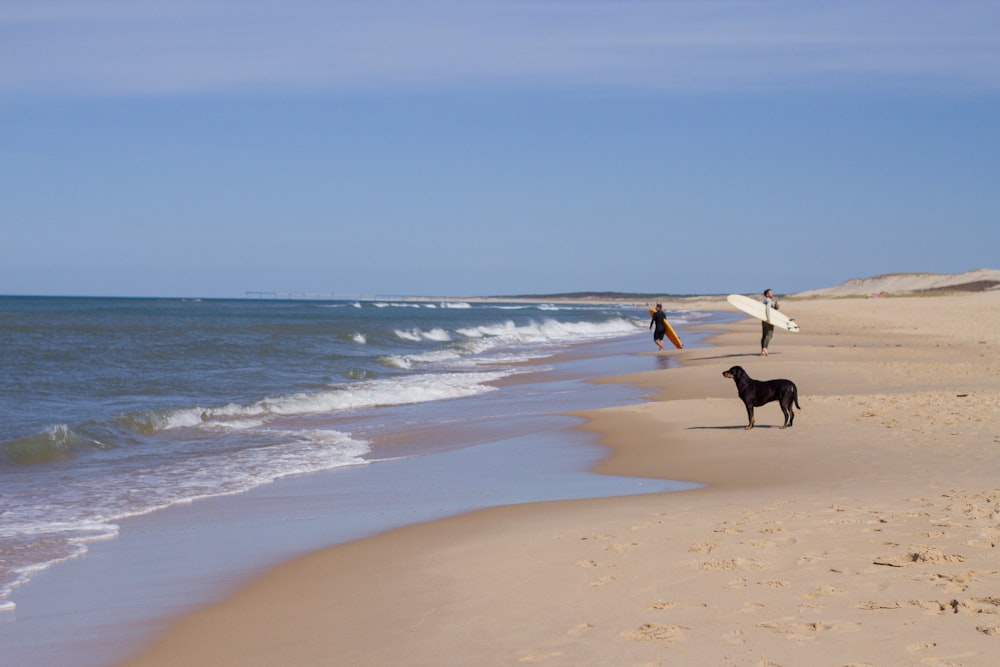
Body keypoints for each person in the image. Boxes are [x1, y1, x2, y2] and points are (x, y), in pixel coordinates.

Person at [761, 288, 776, 356]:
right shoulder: (769, 300)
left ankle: (763, 350)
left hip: (763, 319)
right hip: (768, 320)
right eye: (771, 293)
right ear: (767, 294)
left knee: (764, 335)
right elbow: (767, 309)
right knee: (770, 335)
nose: (772, 294)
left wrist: (775, 308)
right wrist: (768, 318)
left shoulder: (764, 300)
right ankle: (765, 348)